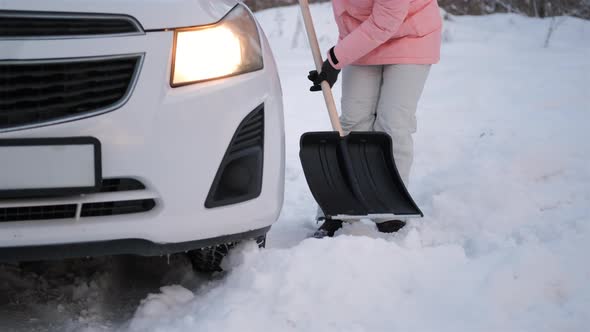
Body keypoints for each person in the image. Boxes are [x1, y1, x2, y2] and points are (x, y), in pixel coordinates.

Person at [308, 0, 442, 238]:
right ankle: (343, 208)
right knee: (351, 122)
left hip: (410, 36)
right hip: (362, 37)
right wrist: (339, 57)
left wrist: (335, 60)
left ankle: (389, 209)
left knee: (392, 125)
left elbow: (385, 21)